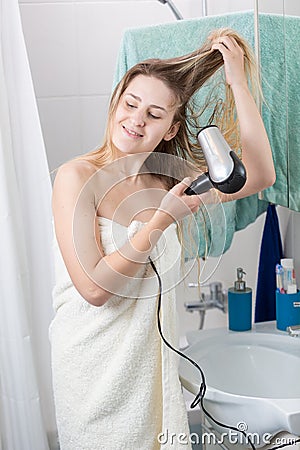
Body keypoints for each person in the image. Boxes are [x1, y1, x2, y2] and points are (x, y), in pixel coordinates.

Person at [50, 28, 275, 450]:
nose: (136, 119)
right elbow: (94, 289)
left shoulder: (168, 182)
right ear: (116, 103)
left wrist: (238, 83)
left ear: (171, 129)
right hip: (92, 368)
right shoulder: (76, 177)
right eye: (130, 104)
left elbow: (259, 174)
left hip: (146, 370)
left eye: (154, 114)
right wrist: (158, 223)